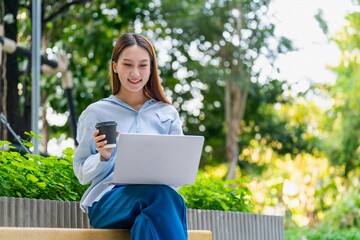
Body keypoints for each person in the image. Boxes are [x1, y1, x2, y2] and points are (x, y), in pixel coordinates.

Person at [73, 33, 188, 240]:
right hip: (108, 203)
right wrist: (103, 157)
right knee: (166, 198)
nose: (135, 73)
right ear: (115, 66)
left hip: (155, 200)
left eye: (143, 65)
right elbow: (80, 170)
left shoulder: (167, 113)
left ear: (151, 68)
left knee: (148, 222)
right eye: (128, 64)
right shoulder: (97, 113)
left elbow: (177, 175)